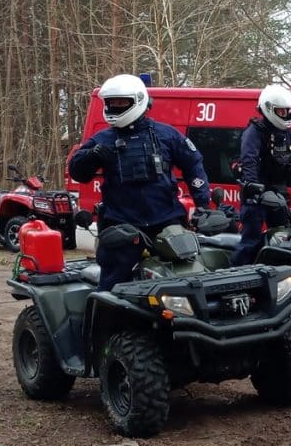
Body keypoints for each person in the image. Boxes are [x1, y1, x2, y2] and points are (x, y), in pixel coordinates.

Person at [68, 74, 211, 290]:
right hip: (122, 223)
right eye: (111, 103)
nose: (115, 107)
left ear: (138, 100)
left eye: (121, 102)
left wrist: (202, 205)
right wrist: (90, 157)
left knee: (188, 276)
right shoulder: (102, 139)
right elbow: (78, 172)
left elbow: (194, 165)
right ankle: (103, 323)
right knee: (112, 285)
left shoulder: (167, 135)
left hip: (166, 219)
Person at [230, 84, 291, 266]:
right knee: (251, 241)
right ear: (269, 109)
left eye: (287, 111)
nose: (285, 114)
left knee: (283, 237)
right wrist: (254, 188)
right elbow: (249, 161)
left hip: (278, 195)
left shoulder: (287, 134)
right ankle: (236, 275)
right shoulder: (254, 132)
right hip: (257, 196)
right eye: (281, 111)